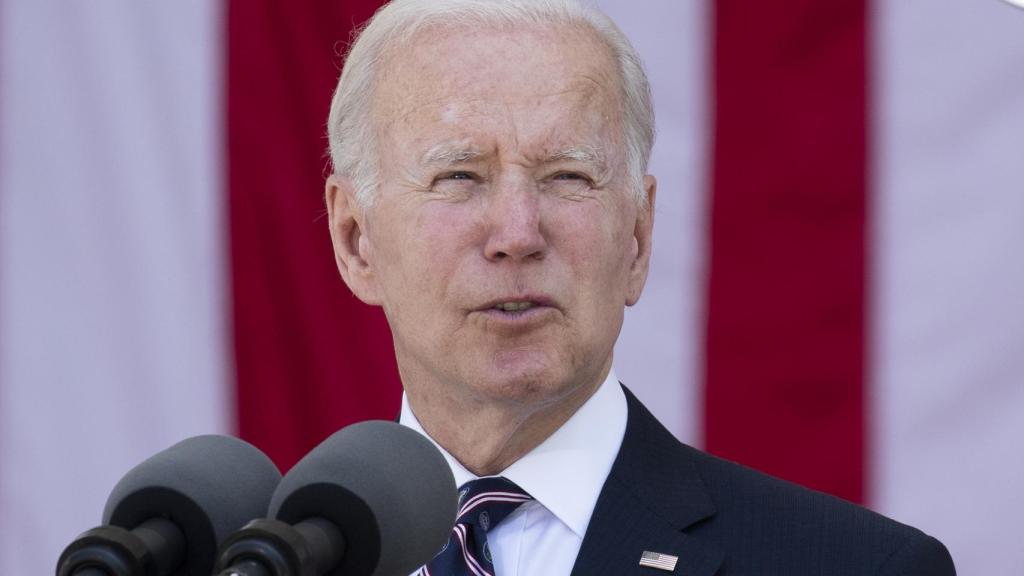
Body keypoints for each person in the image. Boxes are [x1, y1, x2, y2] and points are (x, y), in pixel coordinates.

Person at [323, 1, 956, 574]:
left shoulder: (860, 567)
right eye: (459, 177)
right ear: (356, 241)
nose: (517, 233)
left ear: (638, 236)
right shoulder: (276, 558)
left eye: (568, 176)